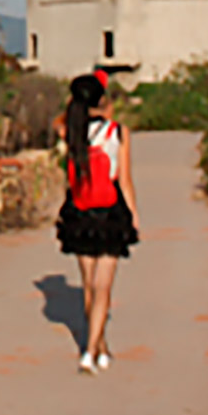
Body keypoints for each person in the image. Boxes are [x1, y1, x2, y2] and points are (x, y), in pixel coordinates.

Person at [53, 70, 138, 374]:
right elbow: (124, 180)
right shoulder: (117, 133)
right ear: (102, 101)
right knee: (103, 287)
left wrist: (81, 101)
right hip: (110, 213)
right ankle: (90, 351)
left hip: (79, 213)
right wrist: (134, 215)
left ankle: (100, 346)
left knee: (89, 286)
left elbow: (61, 119)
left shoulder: (70, 131)